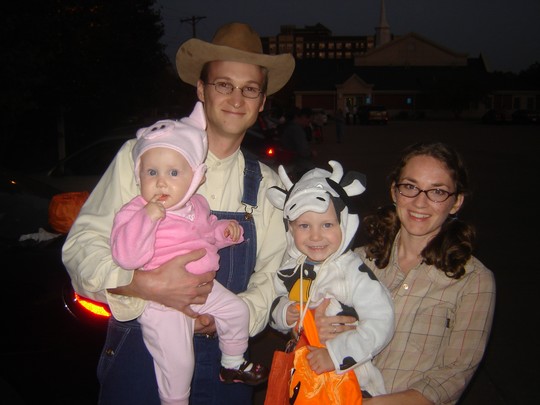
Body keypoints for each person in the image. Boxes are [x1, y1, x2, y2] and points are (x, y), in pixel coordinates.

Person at [62, 22, 295, 405]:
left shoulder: (267, 186)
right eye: (224, 84)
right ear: (201, 90)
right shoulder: (142, 158)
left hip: (224, 362)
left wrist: (228, 317)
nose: (237, 99)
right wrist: (139, 283)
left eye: (249, 89)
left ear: (262, 102)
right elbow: (81, 247)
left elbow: (274, 275)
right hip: (141, 350)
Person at [110, 104, 269, 404]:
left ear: (195, 177)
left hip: (202, 289)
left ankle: (232, 364)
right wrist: (147, 218)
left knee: (238, 311)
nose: (161, 181)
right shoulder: (134, 211)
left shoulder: (197, 205)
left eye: (173, 172)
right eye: (151, 172)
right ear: (138, 176)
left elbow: (208, 234)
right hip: (162, 304)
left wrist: (225, 232)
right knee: (179, 363)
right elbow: (126, 257)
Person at [315, 142, 496, 404]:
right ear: (394, 191)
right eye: (410, 187)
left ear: (456, 202)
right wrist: (315, 327)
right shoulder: (355, 261)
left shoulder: (473, 280)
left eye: (437, 191)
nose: (420, 202)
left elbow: (455, 373)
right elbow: (308, 322)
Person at [266, 160, 395, 399]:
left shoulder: (351, 271)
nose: (315, 236)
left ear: (343, 223)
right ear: (290, 228)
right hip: (303, 379)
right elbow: (277, 301)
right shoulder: (292, 267)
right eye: (304, 225)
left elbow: (381, 320)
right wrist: (285, 312)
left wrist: (336, 355)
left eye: (327, 224)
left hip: (351, 382)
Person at [281, 107, 316, 181]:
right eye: (309, 120)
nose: (308, 124)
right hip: (297, 164)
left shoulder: (286, 126)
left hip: (288, 161)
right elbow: (303, 151)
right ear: (303, 117)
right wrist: (311, 153)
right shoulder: (296, 130)